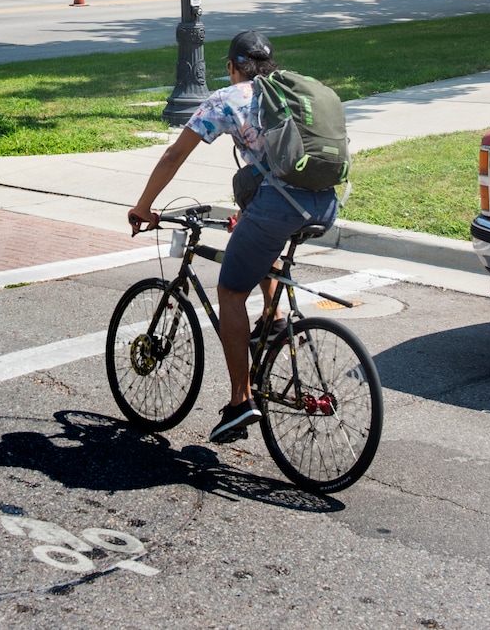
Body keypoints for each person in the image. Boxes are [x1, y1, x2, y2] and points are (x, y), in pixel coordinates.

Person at [128, 30, 339, 445]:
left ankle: (240, 401)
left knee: (230, 292)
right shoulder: (290, 92)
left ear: (231, 67)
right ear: (269, 64)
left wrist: (143, 206)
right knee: (256, 234)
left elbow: (174, 154)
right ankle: (274, 320)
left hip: (281, 206)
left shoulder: (228, 99)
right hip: (324, 204)